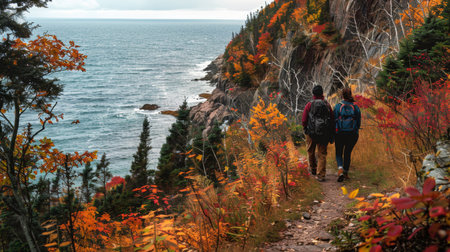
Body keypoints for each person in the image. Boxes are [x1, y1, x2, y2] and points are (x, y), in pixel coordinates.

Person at [302, 85, 334, 182]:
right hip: (324, 133)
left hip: (311, 132)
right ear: (322, 93)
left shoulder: (309, 105)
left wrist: (305, 128)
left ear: (313, 94)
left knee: (310, 151)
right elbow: (332, 119)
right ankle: (321, 175)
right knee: (322, 153)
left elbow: (304, 119)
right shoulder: (327, 104)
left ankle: (313, 169)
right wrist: (330, 132)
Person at [334, 87, 361, 182]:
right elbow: (358, 123)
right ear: (350, 94)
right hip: (352, 134)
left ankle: (340, 169)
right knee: (347, 153)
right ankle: (345, 173)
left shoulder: (338, 106)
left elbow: (334, 121)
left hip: (340, 133)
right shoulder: (355, 106)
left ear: (342, 95)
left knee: (338, 153)